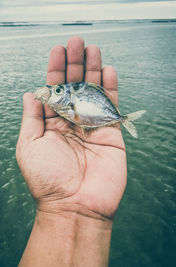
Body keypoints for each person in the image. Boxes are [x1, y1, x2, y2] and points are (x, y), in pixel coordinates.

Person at [16, 36, 127, 267]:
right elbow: (76, 110)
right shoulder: (63, 102)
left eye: (57, 90)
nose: (52, 93)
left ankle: (120, 119)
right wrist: (62, 207)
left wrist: (58, 210)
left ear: (64, 93)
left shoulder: (67, 99)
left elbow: (77, 109)